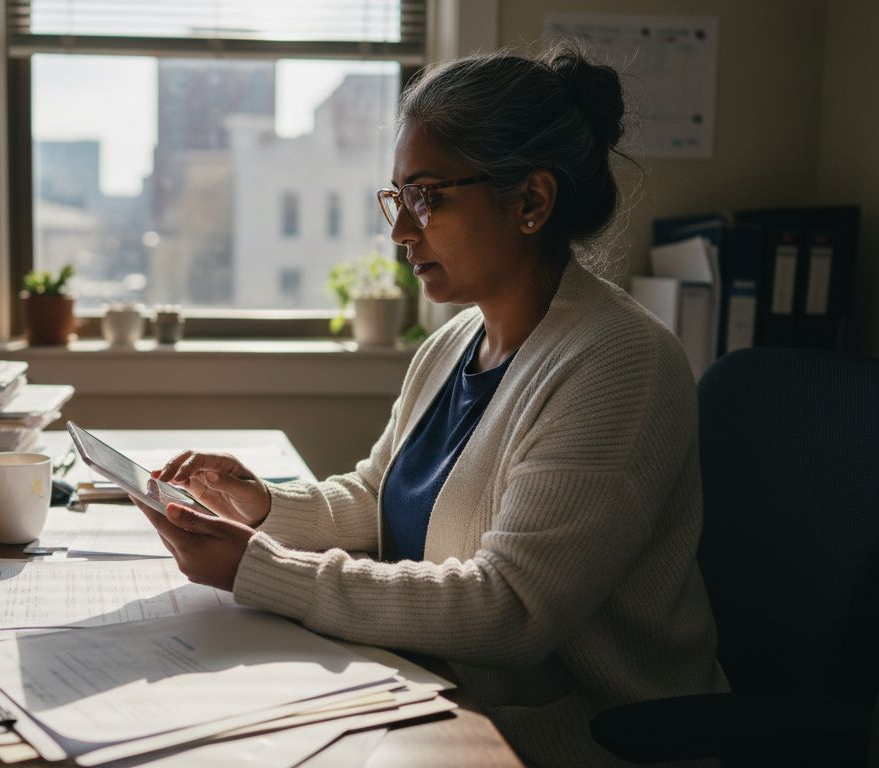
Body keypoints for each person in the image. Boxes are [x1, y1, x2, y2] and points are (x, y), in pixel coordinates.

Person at [135, 45, 729, 767]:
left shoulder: (620, 363)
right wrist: (258, 505)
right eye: (398, 198)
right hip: (438, 696)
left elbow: (511, 609)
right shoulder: (454, 342)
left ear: (531, 201)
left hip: (577, 742)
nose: (400, 232)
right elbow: (377, 498)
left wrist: (260, 570)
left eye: (428, 196)